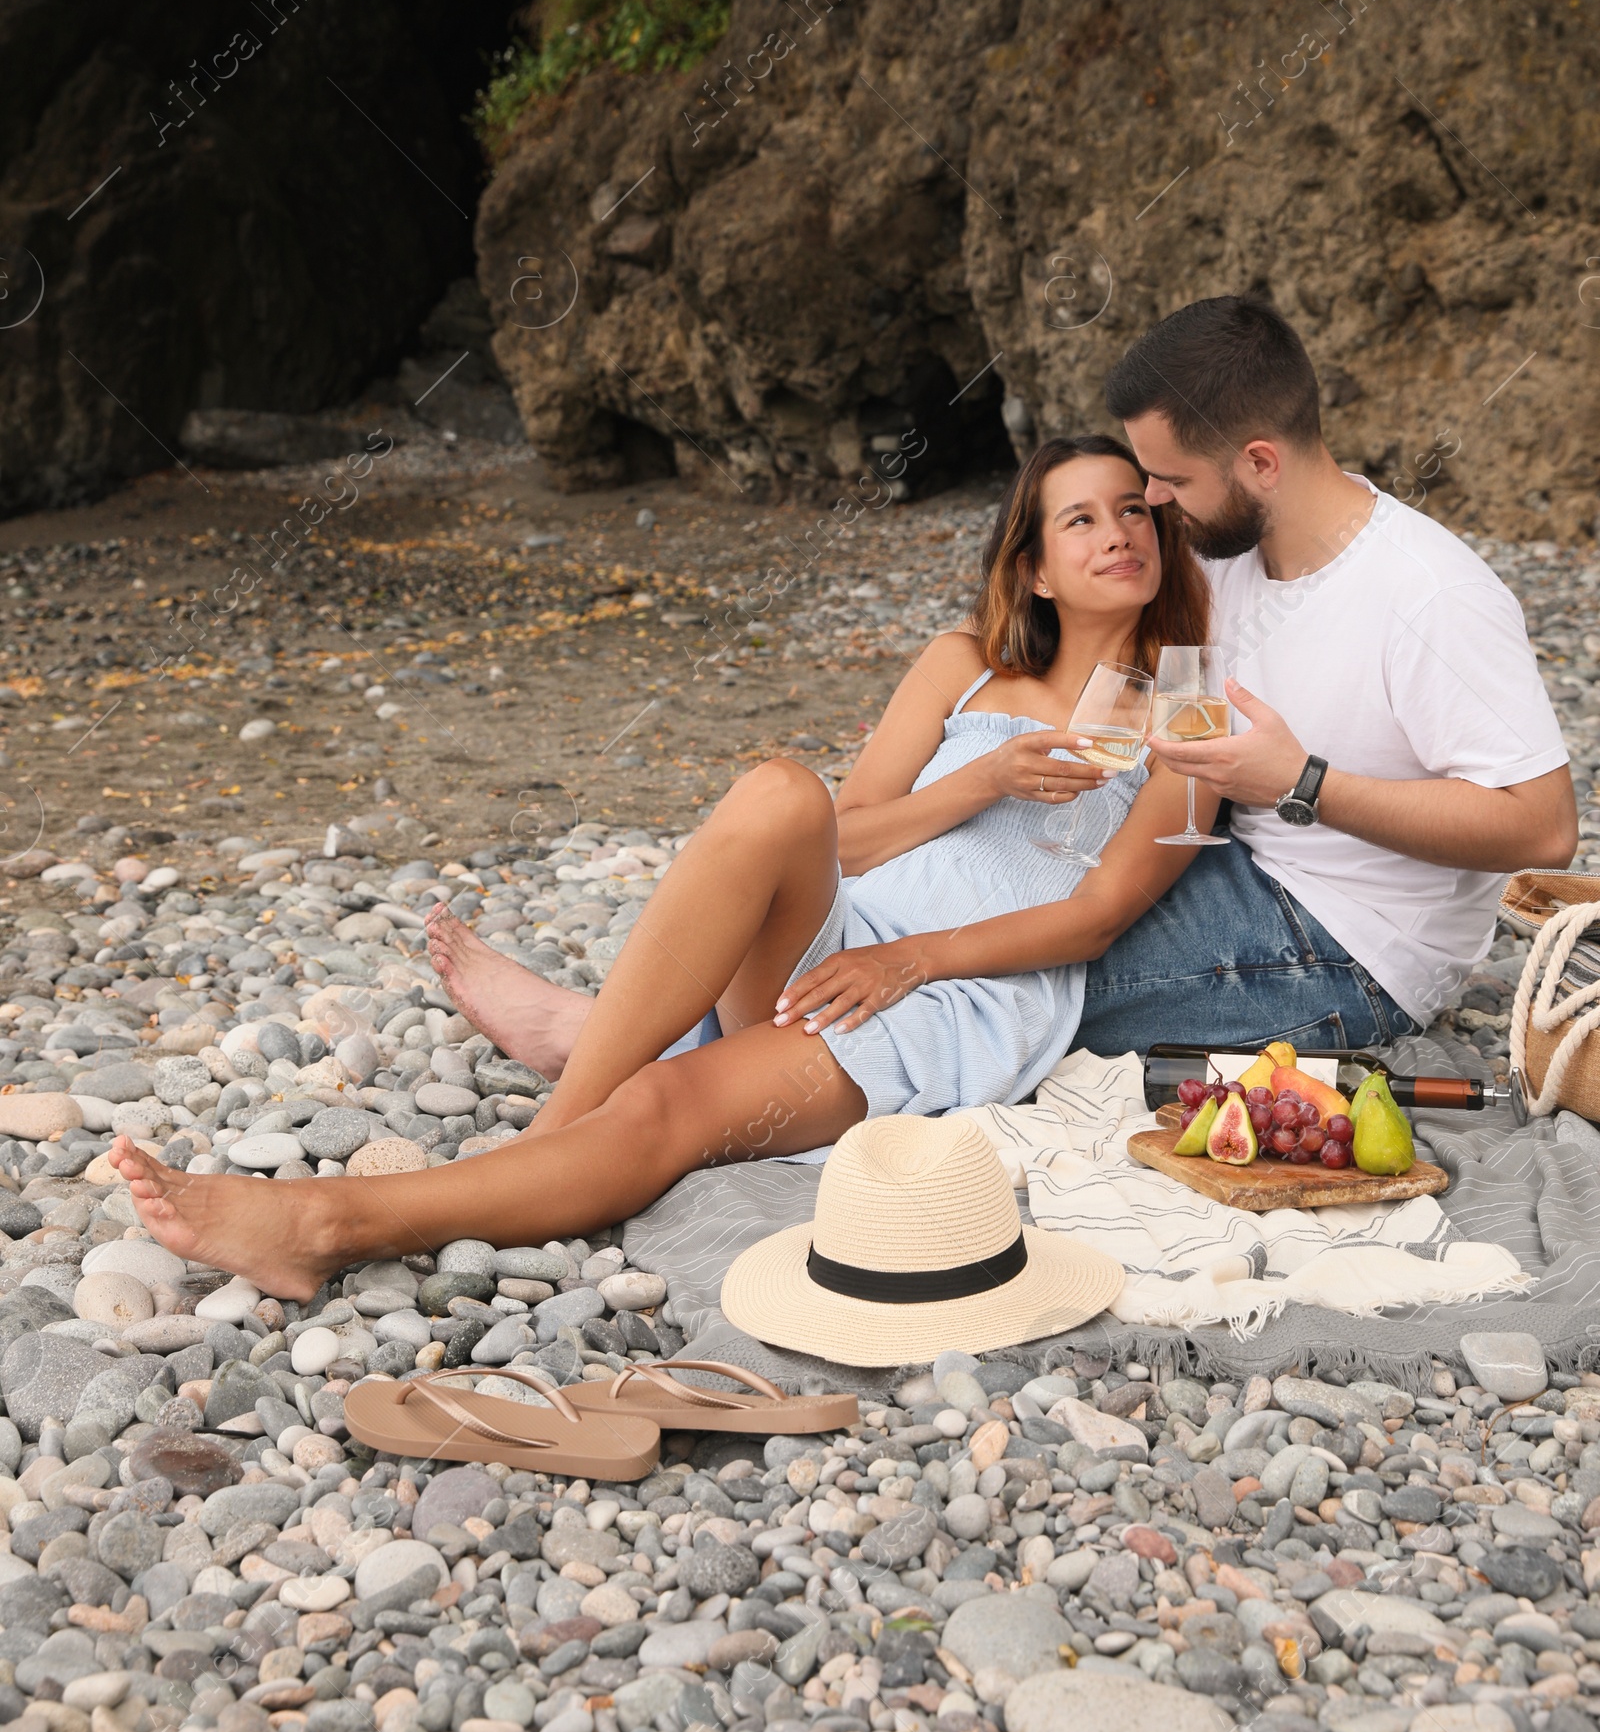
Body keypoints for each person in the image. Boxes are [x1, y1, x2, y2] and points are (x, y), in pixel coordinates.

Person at [109, 434, 1213, 1296]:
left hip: (952, 994)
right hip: (839, 938)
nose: (1117, 532)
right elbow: (846, 833)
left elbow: (1100, 914)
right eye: (1081, 519)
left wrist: (914, 964)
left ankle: (325, 1224)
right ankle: (557, 1126)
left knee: (667, 1112)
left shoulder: (1190, 716)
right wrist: (982, 783)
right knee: (779, 789)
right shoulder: (961, 668)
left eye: (1133, 512)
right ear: (1033, 567)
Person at [1075, 293, 1577, 1055]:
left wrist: (1303, 782)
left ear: (1260, 463)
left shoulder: (1431, 594)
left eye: (1170, 478)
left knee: (1036, 998)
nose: (1153, 498)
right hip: (1234, 863)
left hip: (1351, 946)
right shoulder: (1226, 554)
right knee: (1012, 929)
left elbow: (1545, 830)